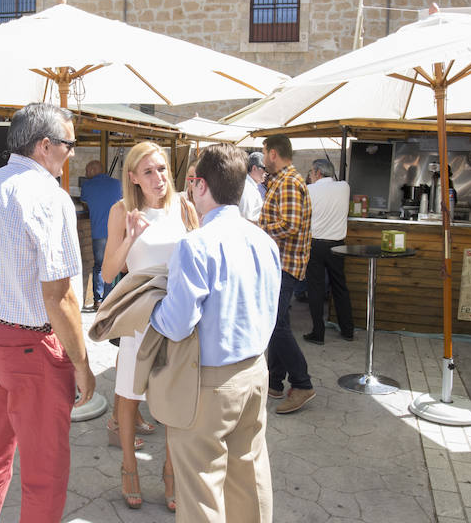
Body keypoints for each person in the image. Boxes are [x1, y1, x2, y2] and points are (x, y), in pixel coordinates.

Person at [0, 103, 95, 523]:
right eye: (69, 144)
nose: (72, 153)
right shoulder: (50, 197)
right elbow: (61, 296)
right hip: (29, 348)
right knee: (44, 471)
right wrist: (83, 365)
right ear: (45, 145)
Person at [151, 143, 281, 522]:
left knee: (201, 491)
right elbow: (272, 309)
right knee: (250, 477)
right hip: (255, 372)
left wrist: (149, 310)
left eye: (192, 182)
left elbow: (177, 323)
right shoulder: (264, 241)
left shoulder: (195, 245)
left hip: (208, 383)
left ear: (201, 186)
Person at [101, 140, 198, 510]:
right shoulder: (122, 211)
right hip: (139, 318)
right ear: (133, 178)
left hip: (177, 318)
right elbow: (109, 271)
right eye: (149, 172)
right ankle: (129, 469)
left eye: (162, 169)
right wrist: (130, 238)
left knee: (173, 399)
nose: (159, 178)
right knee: (128, 396)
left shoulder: (185, 207)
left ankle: (170, 473)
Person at [258, 134, 316, 415]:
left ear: (272, 154)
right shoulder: (282, 180)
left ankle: (302, 384)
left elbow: (289, 225)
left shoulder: (290, 182)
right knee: (278, 323)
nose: (262, 157)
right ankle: (275, 382)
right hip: (280, 263)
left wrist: (259, 230)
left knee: (275, 325)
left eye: (263, 151)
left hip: (285, 265)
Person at [302, 158, 354, 344]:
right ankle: (348, 329)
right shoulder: (344, 187)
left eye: (311, 172)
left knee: (315, 288)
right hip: (337, 245)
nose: (310, 175)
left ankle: (318, 332)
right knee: (340, 286)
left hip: (315, 244)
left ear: (317, 172)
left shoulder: (309, 190)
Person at [80, 159, 122, 309]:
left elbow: (84, 202)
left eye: (86, 170)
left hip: (98, 231)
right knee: (114, 264)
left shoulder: (87, 186)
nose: (85, 174)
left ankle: (98, 300)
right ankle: (110, 299)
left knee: (99, 266)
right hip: (116, 231)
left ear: (92, 171)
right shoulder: (117, 184)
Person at [238, 151, 263, 222]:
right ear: (254, 168)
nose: (266, 172)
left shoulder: (250, 186)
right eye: (264, 168)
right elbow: (244, 218)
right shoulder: (248, 189)